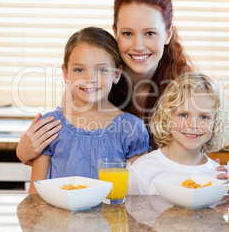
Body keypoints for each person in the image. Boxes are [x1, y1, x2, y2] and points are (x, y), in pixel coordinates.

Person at [16, 0, 228, 179]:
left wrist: (209, 171)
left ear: (167, 34)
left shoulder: (185, 89)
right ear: (115, 32)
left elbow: (191, 155)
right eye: (127, 33)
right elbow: (69, 153)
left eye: (150, 33)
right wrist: (24, 152)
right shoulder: (90, 86)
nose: (138, 45)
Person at [27, 27, 150, 194]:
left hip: (113, 219)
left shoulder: (132, 128)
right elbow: (35, 195)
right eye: (79, 70)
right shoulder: (50, 126)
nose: (90, 78)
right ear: (66, 73)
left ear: (117, 74)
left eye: (101, 70)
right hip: (58, 220)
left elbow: (138, 195)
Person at [127, 72, 229, 195]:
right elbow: (127, 212)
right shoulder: (143, 169)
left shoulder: (219, 177)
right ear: (167, 117)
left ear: (216, 123)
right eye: (183, 115)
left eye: (204, 117)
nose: (193, 124)